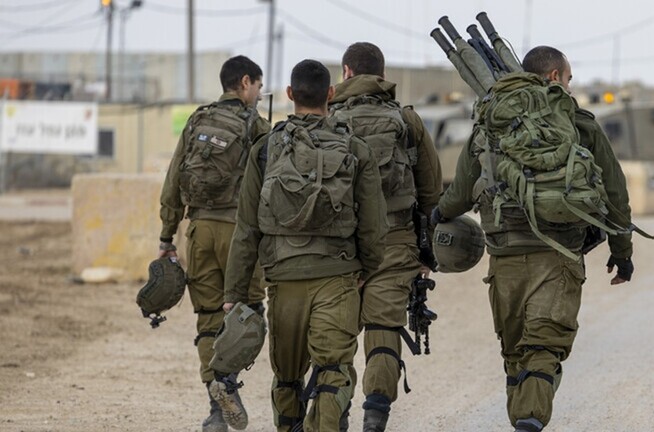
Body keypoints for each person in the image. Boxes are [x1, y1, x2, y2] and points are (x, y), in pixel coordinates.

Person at [432, 45, 636, 432]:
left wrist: (438, 215)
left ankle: (524, 419)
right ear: (555, 77)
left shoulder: (491, 123)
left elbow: (459, 193)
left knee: (514, 353)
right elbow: (614, 192)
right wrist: (622, 252)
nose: (569, 87)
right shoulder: (579, 123)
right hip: (559, 255)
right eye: (569, 78)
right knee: (544, 347)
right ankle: (530, 421)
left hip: (505, 257)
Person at [223, 59, 387, 432]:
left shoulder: (266, 148)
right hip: (338, 276)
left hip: (283, 281)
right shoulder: (355, 148)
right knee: (334, 371)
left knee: (287, 378)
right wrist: (365, 269)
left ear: (290, 94)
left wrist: (234, 292)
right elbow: (374, 226)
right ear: (331, 93)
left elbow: (246, 228)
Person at [328, 42, 442, 432]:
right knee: (382, 327)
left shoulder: (328, 120)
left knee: (336, 334)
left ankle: (333, 410)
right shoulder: (406, 121)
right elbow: (431, 192)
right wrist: (427, 251)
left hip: (339, 246)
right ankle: (375, 415)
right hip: (395, 242)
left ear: (346, 73)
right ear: (383, 75)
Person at [157, 55, 271, 432]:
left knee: (208, 318)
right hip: (240, 234)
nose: (258, 93)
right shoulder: (256, 125)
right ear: (245, 82)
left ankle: (216, 409)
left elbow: (173, 181)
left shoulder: (197, 121)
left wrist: (166, 237)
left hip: (199, 231)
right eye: (257, 85)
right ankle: (227, 382)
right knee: (248, 312)